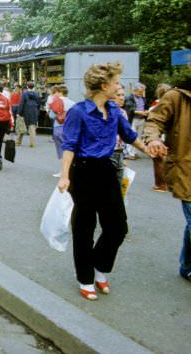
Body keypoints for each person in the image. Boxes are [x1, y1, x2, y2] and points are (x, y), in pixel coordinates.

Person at [57, 62, 152, 301]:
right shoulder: (79, 111)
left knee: (118, 226)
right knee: (84, 228)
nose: (119, 87)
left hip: (106, 170)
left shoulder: (115, 111)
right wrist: (65, 176)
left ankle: (100, 268)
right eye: (117, 83)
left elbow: (130, 136)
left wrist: (151, 150)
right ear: (104, 85)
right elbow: (68, 146)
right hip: (83, 171)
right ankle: (85, 278)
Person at [143, 68, 191, 281]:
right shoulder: (176, 97)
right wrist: (153, 139)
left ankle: (187, 265)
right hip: (186, 168)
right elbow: (154, 120)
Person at [147, 84, 172, 193]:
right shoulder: (174, 105)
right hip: (169, 137)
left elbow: (151, 120)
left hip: (158, 137)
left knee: (158, 161)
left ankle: (161, 184)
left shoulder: (156, 106)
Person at [48, 85, 75, 177]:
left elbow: (51, 116)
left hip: (58, 127)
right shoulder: (72, 103)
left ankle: (63, 171)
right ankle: (71, 170)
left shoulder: (56, 101)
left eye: (56, 92)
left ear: (60, 92)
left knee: (61, 150)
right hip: (70, 128)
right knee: (70, 149)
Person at [123, 83, 148, 156]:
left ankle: (134, 152)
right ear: (135, 90)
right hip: (133, 119)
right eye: (140, 91)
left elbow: (145, 107)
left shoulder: (143, 98)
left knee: (139, 136)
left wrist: (146, 111)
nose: (141, 93)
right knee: (132, 136)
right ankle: (130, 153)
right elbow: (130, 109)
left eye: (142, 91)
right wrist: (140, 112)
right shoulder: (129, 98)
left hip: (141, 119)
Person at [17, 81, 41, 147]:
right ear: (33, 87)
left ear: (27, 87)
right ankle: (32, 143)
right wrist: (37, 110)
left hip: (26, 111)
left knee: (22, 126)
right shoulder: (37, 94)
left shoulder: (24, 94)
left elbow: (21, 104)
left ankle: (19, 141)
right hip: (34, 111)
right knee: (32, 127)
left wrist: (19, 112)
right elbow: (39, 103)